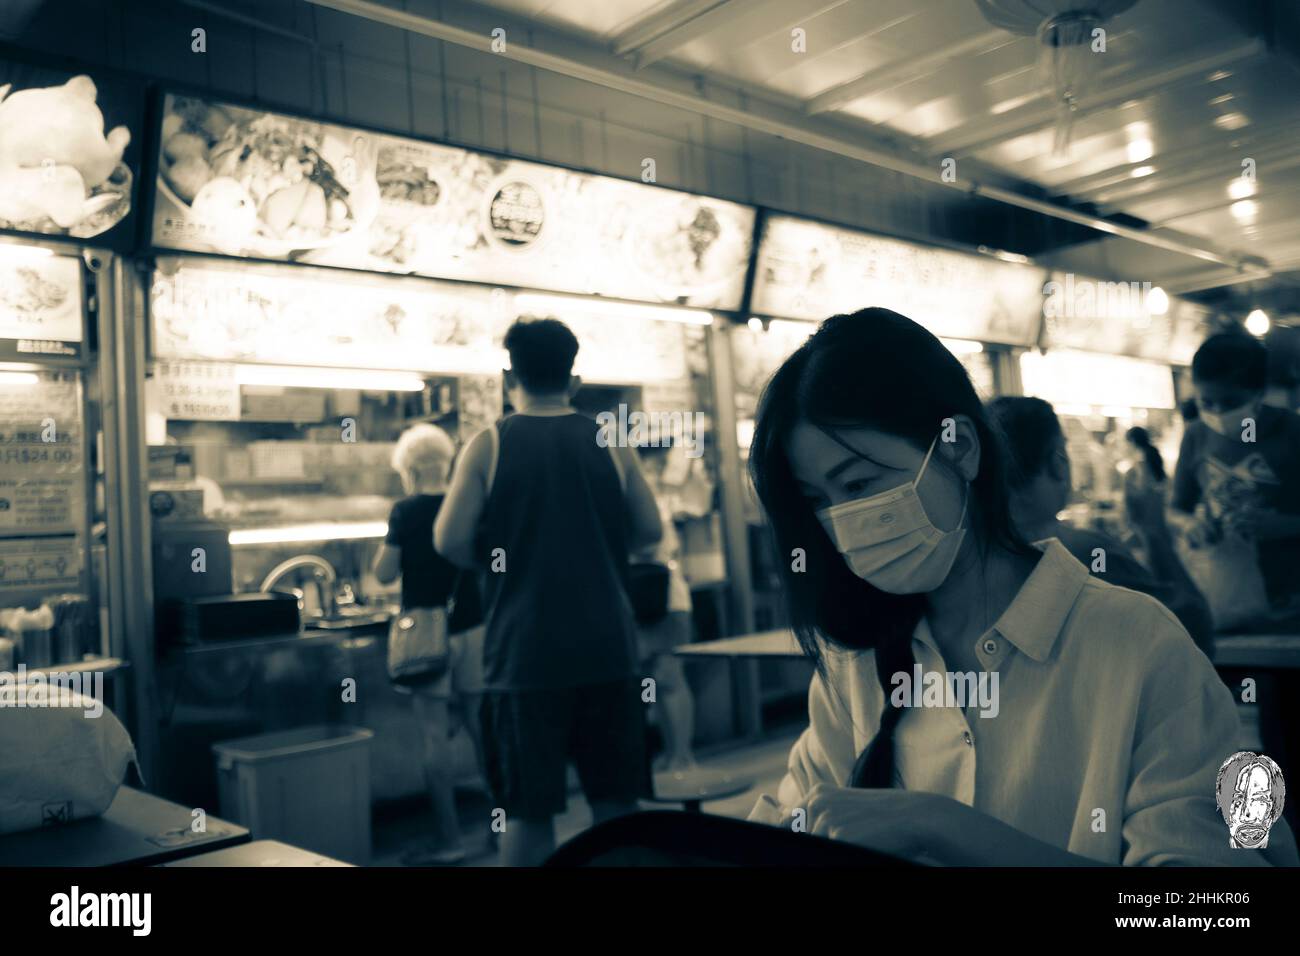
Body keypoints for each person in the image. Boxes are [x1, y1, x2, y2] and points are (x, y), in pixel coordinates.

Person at [744, 308, 1297, 866]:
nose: (842, 521)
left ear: (959, 448)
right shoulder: (853, 665)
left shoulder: (1139, 645)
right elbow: (790, 820)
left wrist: (943, 828)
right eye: (817, 500)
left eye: (860, 484)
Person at [434, 318, 663, 866]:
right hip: (609, 651)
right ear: (575, 378)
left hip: (523, 658)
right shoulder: (611, 441)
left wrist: (498, 563)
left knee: (527, 814)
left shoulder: (489, 444)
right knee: (617, 808)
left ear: (507, 374)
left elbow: (448, 540)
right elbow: (651, 533)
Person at [988, 397, 1213, 657]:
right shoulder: (1084, 552)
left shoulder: (971, 558)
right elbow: (1195, 636)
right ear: (1058, 464)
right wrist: (1153, 530)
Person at [372, 423, 487, 866]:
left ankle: (450, 841)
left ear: (410, 469)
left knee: (433, 737)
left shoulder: (405, 512)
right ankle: (502, 830)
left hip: (424, 633)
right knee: (483, 732)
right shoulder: (468, 507)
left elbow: (384, 574)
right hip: (473, 628)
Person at [1170, 332, 1300, 622]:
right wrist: (1190, 524)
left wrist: (1285, 525)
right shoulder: (1195, 435)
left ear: (1259, 392)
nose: (1217, 412)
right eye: (1207, 403)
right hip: (1225, 598)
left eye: (1230, 403)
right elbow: (1175, 509)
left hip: (1292, 601)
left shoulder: (1292, 431)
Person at [633, 443, 697, 772]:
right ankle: (671, 753)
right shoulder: (647, 498)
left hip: (665, 600)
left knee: (669, 677)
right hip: (649, 600)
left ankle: (683, 755)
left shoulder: (651, 502)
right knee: (654, 681)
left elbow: (648, 544)